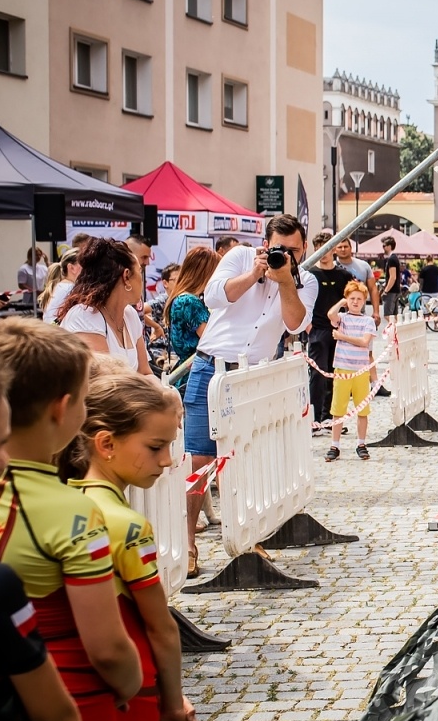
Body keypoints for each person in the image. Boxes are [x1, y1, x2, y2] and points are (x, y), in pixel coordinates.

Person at [0, 321, 143, 721]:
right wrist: (134, 684)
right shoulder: (78, 515)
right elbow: (107, 647)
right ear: (63, 408)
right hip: (75, 708)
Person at [60, 364, 202, 721]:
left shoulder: (61, 505)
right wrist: (172, 703)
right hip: (129, 699)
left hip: (66, 692)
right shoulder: (125, 524)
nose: (165, 463)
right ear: (106, 443)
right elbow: (161, 628)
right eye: (156, 447)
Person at [183, 215, 317, 546]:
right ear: (263, 242)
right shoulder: (240, 257)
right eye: (278, 249)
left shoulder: (306, 281)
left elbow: (296, 324)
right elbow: (213, 297)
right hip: (210, 367)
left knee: (249, 457)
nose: (285, 256)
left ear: (304, 248)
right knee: (200, 457)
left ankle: (250, 536)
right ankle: (187, 541)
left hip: (253, 376)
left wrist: (285, 280)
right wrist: (254, 273)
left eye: (293, 251)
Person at [57, 237, 151, 376]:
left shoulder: (130, 314)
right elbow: (106, 384)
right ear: (126, 276)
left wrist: (164, 393)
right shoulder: (85, 316)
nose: (142, 279)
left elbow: (145, 372)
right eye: (140, 271)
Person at [305, 231, 355, 431]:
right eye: (319, 249)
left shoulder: (343, 275)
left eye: (326, 249)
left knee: (337, 374)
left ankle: (330, 418)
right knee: (318, 374)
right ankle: (315, 418)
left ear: (333, 250)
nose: (323, 253)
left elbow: (352, 298)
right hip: (317, 329)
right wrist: (309, 328)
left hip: (338, 330)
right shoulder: (309, 274)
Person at [326, 282, 377, 462]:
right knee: (338, 408)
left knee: (362, 409)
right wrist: (341, 302)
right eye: (352, 298)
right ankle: (335, 444)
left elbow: (364, 342)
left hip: (360, 370)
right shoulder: (342, 318)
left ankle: (361, 443)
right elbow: (330, 315)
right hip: (342, 367)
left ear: (364, 301)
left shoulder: (368, 321)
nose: (355, 302)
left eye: (359, 299)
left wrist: (342, 337)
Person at [161, 246, 220, 392]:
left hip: (191, 372)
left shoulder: (185, 299)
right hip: (195, 375)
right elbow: (211, 340)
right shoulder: (188, 301)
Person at [334, 236, 377, 313]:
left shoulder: (364, 266)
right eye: (340, 247)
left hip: (360, 314)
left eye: (345, 246)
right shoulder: (331, 267)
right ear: (334, 250)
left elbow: (373, 289)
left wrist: (376, 312)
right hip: (337, 316)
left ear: (351, 248)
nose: (343, 249)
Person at [40, 248, 82, 324]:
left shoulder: (61, 286)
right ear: (71, 268)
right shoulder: (70, 289)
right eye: (83, 264)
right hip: (57, 333)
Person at [379, 236, 405, 321]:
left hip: (392, 291)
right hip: (396, 290)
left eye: (384, 246)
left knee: (388, 315)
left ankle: (395, 332)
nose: (383, 248)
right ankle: (397, 332)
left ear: (389, 246)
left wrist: (386, 291)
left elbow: (392, 277)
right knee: (394, 315)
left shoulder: (391, 259)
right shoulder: (395, 258)